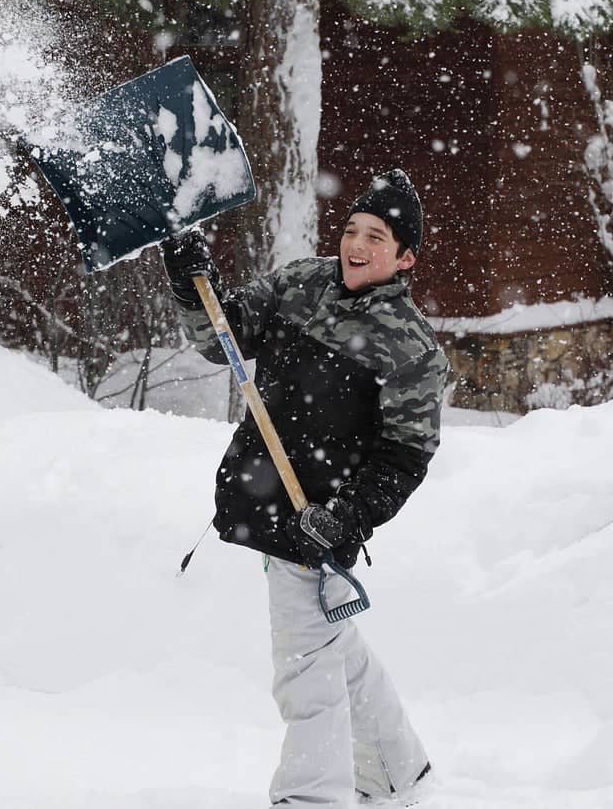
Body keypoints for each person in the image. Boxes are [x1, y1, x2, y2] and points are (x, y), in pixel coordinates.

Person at [161, 169, 448, 808]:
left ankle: (312, 797)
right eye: (352, 229)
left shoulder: (411, 346)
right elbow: (222, 339)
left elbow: (406, 455)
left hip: (317, 520)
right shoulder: (300, 284)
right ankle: (398, 773)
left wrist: (349, 516)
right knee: (330, 645)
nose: (356, 243)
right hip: (269, 498)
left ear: (404, 258)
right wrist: (191, 284)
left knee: (305, 668)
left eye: (377, 236)